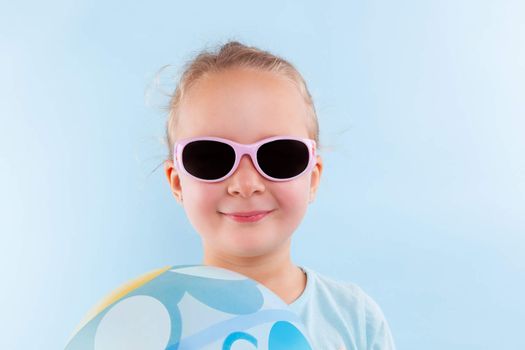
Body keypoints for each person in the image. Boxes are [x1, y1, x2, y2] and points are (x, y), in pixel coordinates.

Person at [163, 40, 396, 349]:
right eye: (211, 157)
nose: (245, 184)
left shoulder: (353, 318)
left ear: (312, 178)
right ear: (177, 182)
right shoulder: (154, 323)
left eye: (279, 156)